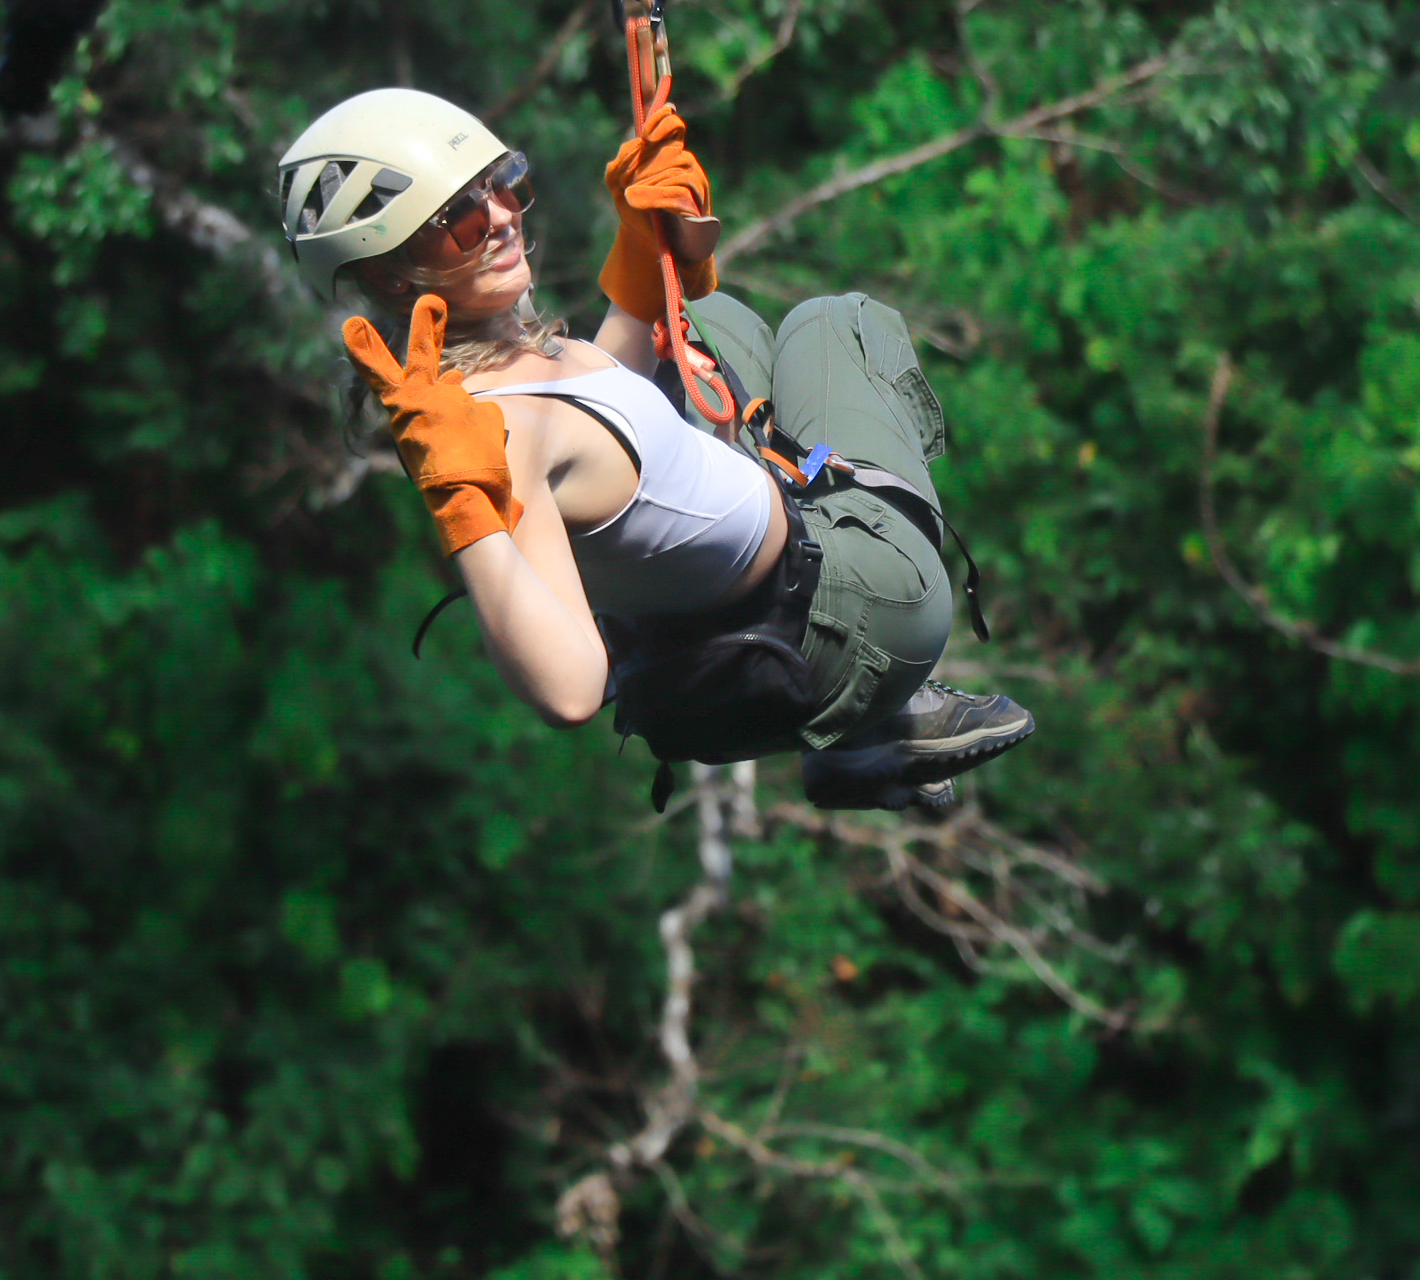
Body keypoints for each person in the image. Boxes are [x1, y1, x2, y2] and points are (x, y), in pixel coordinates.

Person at [277, 86, 1033, 812]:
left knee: (704, 317)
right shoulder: (486, 437)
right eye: (462, 219)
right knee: (836, 323)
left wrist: (647, 248)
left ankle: (861, 713)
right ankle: (881, 716)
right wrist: (461, 508)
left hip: (740, 639)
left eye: (503, 185)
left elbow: (608, 436)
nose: (503, 217)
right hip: (857, 612)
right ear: (390, 275)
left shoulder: (508, 375)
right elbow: (570, 692)